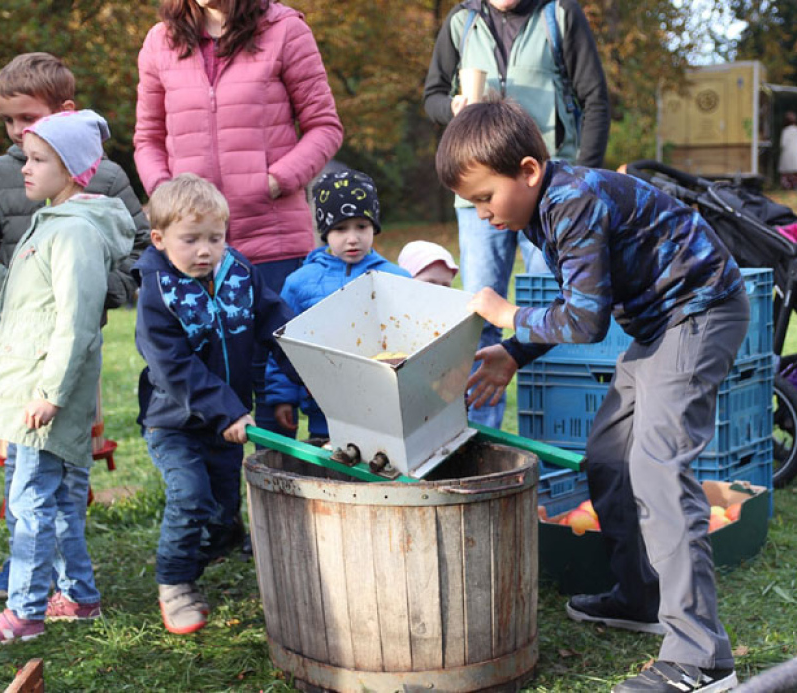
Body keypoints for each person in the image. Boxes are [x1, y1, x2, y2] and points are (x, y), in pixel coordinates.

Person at [437, 99, 746, 693]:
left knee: (657, 467)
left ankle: (702, 658)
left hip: (702, 312)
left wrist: (507, 316)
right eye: (472, 203)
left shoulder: (573, 201)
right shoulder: (542, 209)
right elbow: (581, 297)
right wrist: (516, 352)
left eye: (485, 197)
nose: (481, 213)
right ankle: (642, 596)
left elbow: (585, 322)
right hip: (659, 326)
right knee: (608, 456)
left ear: (528, 171)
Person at [0, 110, 135, 645]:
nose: (25, 168)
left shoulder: (75, 232)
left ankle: (24, 612)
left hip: (44, 393)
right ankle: (78, 596)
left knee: (30, 501)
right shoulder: (52, 221)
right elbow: (27, 302)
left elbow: (77, 322)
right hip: (38, 389)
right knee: (53, 500)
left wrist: (50, 394)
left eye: (37, 160)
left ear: (72, 169)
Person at [0, 51, 152, 602]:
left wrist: (101, 292)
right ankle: (25, 563)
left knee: (69, 462)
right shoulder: (1, 174)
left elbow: (139, 250)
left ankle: (65, 578)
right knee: (21, 465)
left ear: (66, 112)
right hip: (18, 345)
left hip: (72, 344)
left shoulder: (105, 177)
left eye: (27, 119)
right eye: (8, 120)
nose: (15, 132)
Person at [135, 0, 343, 438]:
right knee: (200, 391)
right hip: (189, 250)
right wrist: (166, 196)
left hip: (273, 239)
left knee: (276, 391)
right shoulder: (160, 41)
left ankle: (279, 481)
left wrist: (273, 181)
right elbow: (148, 139)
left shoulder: (285, 29)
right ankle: (209, 485)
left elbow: (324, 126)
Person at [423, 0, 610, 428]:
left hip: (547, 192)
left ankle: (557, 429)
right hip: (479, 191)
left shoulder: (558, 15)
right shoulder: (462, 21)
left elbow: (595, 99)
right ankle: (481, 434)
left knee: (557, 304)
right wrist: (453, 108)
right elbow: (431, 96)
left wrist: (583, 183)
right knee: (479, 316)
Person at [134, 173, 298, 634]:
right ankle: (176, 581)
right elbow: (173, 366)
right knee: (191, 497)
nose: (205, 251)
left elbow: (276, 325)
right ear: (160, 239)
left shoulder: (239, 273)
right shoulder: (158, 293)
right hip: (176, 422)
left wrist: (314, 371)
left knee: (223, 506)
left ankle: (219, 540)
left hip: (230, 423)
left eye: (215, 238)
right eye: (190, 240)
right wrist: (226, 410)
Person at [266, 169, 410, 440]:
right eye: (341, 229)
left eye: (362, 226)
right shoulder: (300, 283)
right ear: (325, 232)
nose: (352, 238)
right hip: (323, 410)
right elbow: (284, 344)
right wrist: (282, 395)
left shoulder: (396, 279)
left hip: (385, 409)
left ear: (374, 227)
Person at [778, 111, 797, 190]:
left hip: (787, 155)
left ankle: (787, 186)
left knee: (787, 173)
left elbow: (783, 144)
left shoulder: (785, 131)